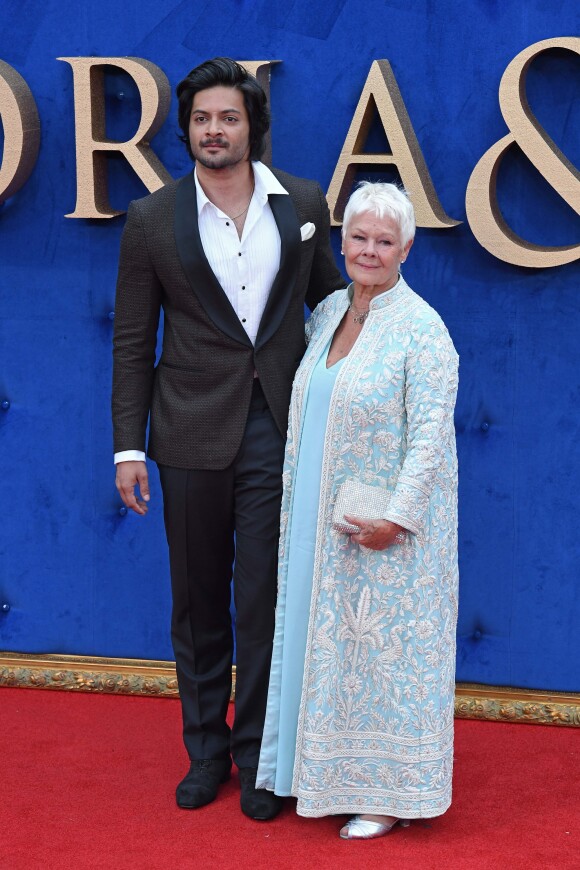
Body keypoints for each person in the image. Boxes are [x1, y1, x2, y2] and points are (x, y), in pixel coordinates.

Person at [112, 57, 344, 820]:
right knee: (199, 601)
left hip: (278, 432)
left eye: (230, 117)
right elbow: (132, 341)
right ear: (186, 130)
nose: (216, 130)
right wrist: (127, 446)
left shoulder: (302, 203)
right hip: (185, 434)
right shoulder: (152, 220)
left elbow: (337, 309)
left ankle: (261, 761)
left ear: (253, 127)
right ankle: (206, 754)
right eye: (203, 119)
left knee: (266, 601)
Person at [256, 181, 459, 839]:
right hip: (321, 521)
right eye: (359, 238)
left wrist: (397, 518)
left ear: (405, 248)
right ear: (342, 242)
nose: (369, 250)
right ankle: (316, 775)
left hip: (384, 531)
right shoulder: (331, 311)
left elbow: (431, 436)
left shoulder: (422, 327)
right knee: (328, 651)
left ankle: (385, 796)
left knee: (382, 660)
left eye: (384, 240)